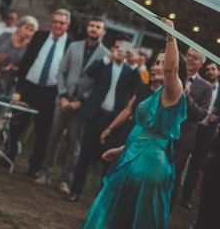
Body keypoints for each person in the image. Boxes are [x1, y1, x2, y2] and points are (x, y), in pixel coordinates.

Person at [81, 19, 186, 228]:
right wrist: (121, 149)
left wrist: (170, 35)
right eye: (156, 62)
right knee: (118, 213)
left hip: (150, 164)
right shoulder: (152, 94)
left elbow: (171, 71)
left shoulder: (172, 94)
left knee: (137, 217)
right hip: (132, 155)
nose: (157, 67)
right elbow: (144, 130)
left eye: (162, 63)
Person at [35, 16, 109, 194]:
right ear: (87, 27)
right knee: (53, 137)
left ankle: (64, 179)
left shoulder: (106, 55)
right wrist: (62, 96)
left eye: (98, 27)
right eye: (91, 25)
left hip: (81, 106)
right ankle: (45, 173)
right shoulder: (73, 46)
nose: (93, 29)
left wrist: (80, 101)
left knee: (74, 143)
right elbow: (61, 71)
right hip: (63, 99)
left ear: (103, 32)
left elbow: (100, 84)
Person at [66, 37, 143, 202]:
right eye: (117, 47)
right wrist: (109, 57)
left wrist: (135, 63)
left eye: (124, 48)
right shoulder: (104, 64)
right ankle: (76, 189)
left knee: (109, 159)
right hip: (96, 115)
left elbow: (139, 85)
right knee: (84, 154)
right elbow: (90, 72)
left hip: (115, 121)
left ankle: (102, 196)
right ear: (112, 48)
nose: (120, 51)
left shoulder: (130, 71)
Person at [6, 8, 73, 177]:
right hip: (29, 86)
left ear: (67, 25)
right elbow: (27, 59)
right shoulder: (40, 36)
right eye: (56, 22)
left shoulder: (71, 44)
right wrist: (20, 86)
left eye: (62, 23)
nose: (58, 25)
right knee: (16, 124)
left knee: (43, 132)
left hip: (50, 92)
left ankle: (34, 166)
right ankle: (8, 156)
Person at [99, 50, 171, 145]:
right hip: (128, 131)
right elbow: (128, 110)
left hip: (146, 140)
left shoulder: (167, 95)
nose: (155, 68)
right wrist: (110, 128)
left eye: (161, 65)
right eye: (155, 64)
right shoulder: (143, 87)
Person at [172, 47, 212, 208]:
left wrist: (187, 97)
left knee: (172, 179)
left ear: (201, 63)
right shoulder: (173, 74)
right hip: (162, 131)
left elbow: (201, 114)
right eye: (188, 55)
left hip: (183, 140)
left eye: (194, 58)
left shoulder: (205, 87)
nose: (189, 59)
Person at [0, 15, 38, 119]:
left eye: (31, 31)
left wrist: (13, 68)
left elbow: (26, 70)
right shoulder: (4, 37)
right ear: (18, 26)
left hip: (7, 87)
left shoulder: (29, 49)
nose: (28, 33)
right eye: (26, 28)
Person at [181, 61, 219, 209]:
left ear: (218, 72)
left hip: (207, 130)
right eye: (208, 69)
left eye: (213, 69)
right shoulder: (199, 85)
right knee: (182, 158)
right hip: (192, 126)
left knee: (196, 165)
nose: (210, 71)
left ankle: (186, 197)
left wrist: (217, 119)